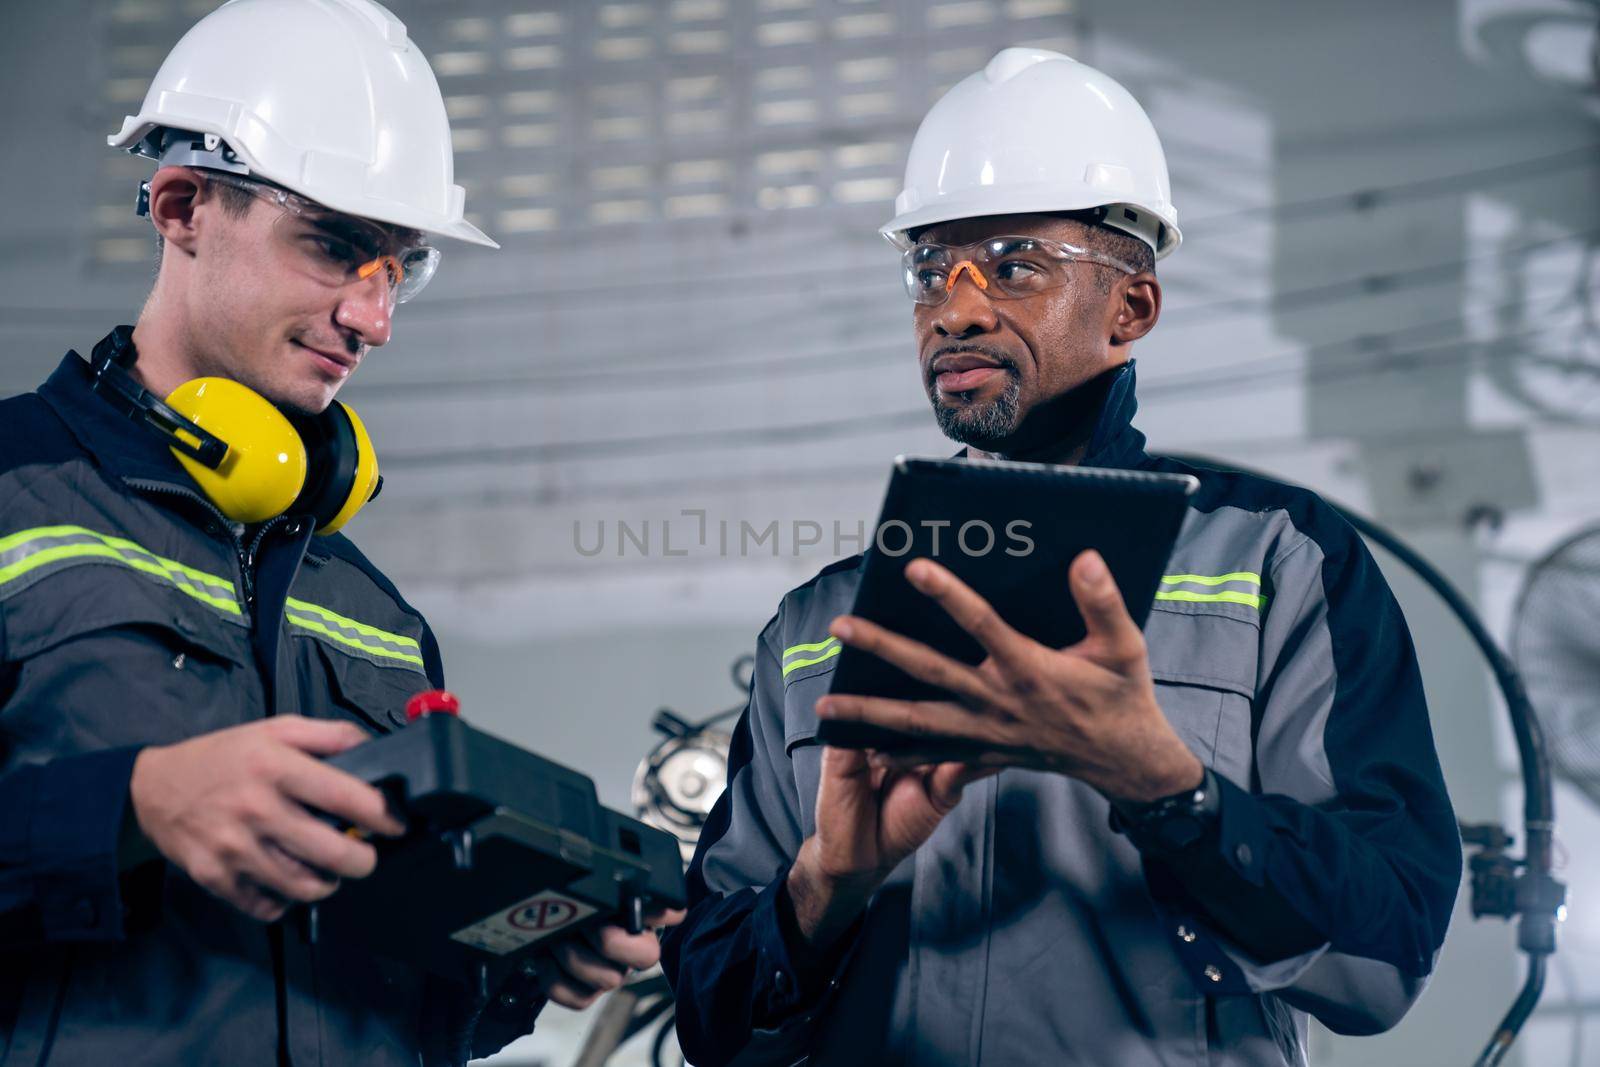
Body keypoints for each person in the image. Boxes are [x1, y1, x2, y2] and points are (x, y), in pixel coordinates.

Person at [662, 48, 1462, 1067]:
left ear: (1131, 308)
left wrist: (1171, 792)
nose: (954, 308)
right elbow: (709, 1020)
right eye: (928, 271)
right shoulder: (820, 624)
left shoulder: (1276, 564)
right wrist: (828, 879)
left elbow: (1386, 950)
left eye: (1012, 263)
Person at [0, 2, 670, 1063]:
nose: (375, 318)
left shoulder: (374, 611)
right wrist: (132, 803)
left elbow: (412, 999)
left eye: (399, 266)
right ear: (182, 205)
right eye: (335, 247)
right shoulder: (12, 490)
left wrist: (522, 956)